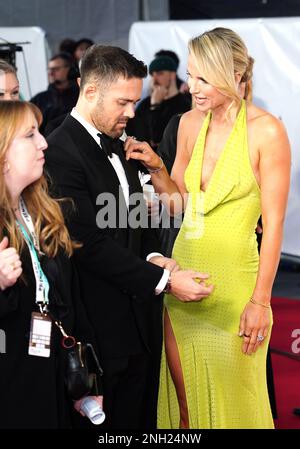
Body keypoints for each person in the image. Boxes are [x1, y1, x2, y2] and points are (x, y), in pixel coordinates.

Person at [124, 27, 291, 428]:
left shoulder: (267, 131)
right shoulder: (187, 124)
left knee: (237, 405)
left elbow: (274, 226)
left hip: (236, 287)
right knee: (185, 411)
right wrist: (157, 168)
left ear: (233, 74)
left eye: (203, 78)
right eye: (190, 75)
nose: (191, 86)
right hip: (183, 279)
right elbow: (179, 205)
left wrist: (260, 302)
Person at [45, 44, 213, 429]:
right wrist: (166, 281)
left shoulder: (122, 142)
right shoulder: (58, 151)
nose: (132, 112)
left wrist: (157, 257)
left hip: (141, 323)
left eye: (135, 102)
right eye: (123, 102)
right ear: (90, 92)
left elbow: (136, 221)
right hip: (97, 330)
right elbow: (88, 244)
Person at [0, 101, 103, 428]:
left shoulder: (43, 212)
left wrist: (89, 379)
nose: (44, 142)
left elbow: (73, 301)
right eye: (30, 135)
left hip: (53, 377)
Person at [126, 55, 191, 151]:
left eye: (160, 73)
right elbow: (134, 133)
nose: (155, 79)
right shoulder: (144, 104)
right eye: (152, 75)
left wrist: (155, 107)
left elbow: (157, 139)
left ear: (172, 75)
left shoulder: (184, 104)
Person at [31, 52, 79, 134]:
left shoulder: (81, 96)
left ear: (70, 69)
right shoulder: (39, 99)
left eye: (56, 69)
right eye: (49, 69)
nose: (51, 73)